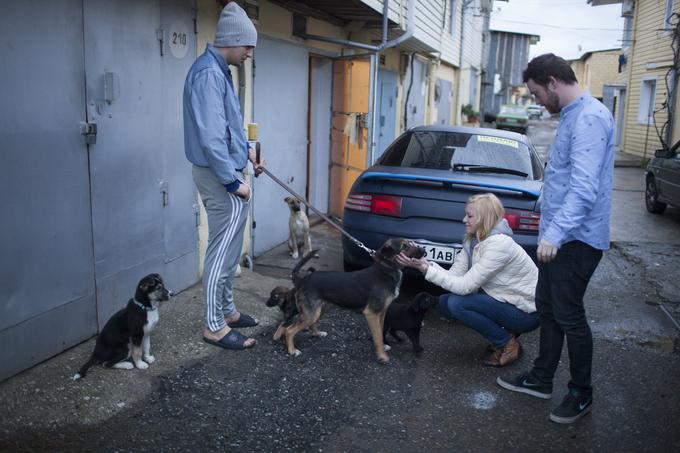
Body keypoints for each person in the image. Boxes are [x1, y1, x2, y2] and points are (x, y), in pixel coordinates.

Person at [496, 53, 615, 424]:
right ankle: (541, 378)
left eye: (535, 93)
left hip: (575, 240)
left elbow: (584, 189)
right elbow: (562, 177)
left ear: (551, 81)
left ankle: (581, 393)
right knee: (547, 308)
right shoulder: (570, 115)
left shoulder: (590, 118)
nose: (535, 101)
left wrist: (557, 234)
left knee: (569, 315)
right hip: (557, 236)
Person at [183, 2, 264, 350]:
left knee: (230, 247)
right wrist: (233, 182)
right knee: (219, 250)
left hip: (230, 170)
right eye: (248, 46)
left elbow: (229, 123)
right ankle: (214, 326)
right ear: (232, 40)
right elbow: (211, 137)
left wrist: (248, 150)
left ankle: (227, 311)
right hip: (219, 176)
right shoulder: (207, 74)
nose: (250, 53)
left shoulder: (220, 70)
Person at [396, 193, 539, 367]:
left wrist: (425, 269)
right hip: (507, 303)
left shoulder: (500, 245)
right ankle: (505, 333)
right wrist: (423, 264)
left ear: (484, 218)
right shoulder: (473, 241)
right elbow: (455, 277)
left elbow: (464, 287)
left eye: (470, 216)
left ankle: (508, 343)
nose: (464, 219)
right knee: (444, 302)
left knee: (457, 304)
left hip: (526, 314)